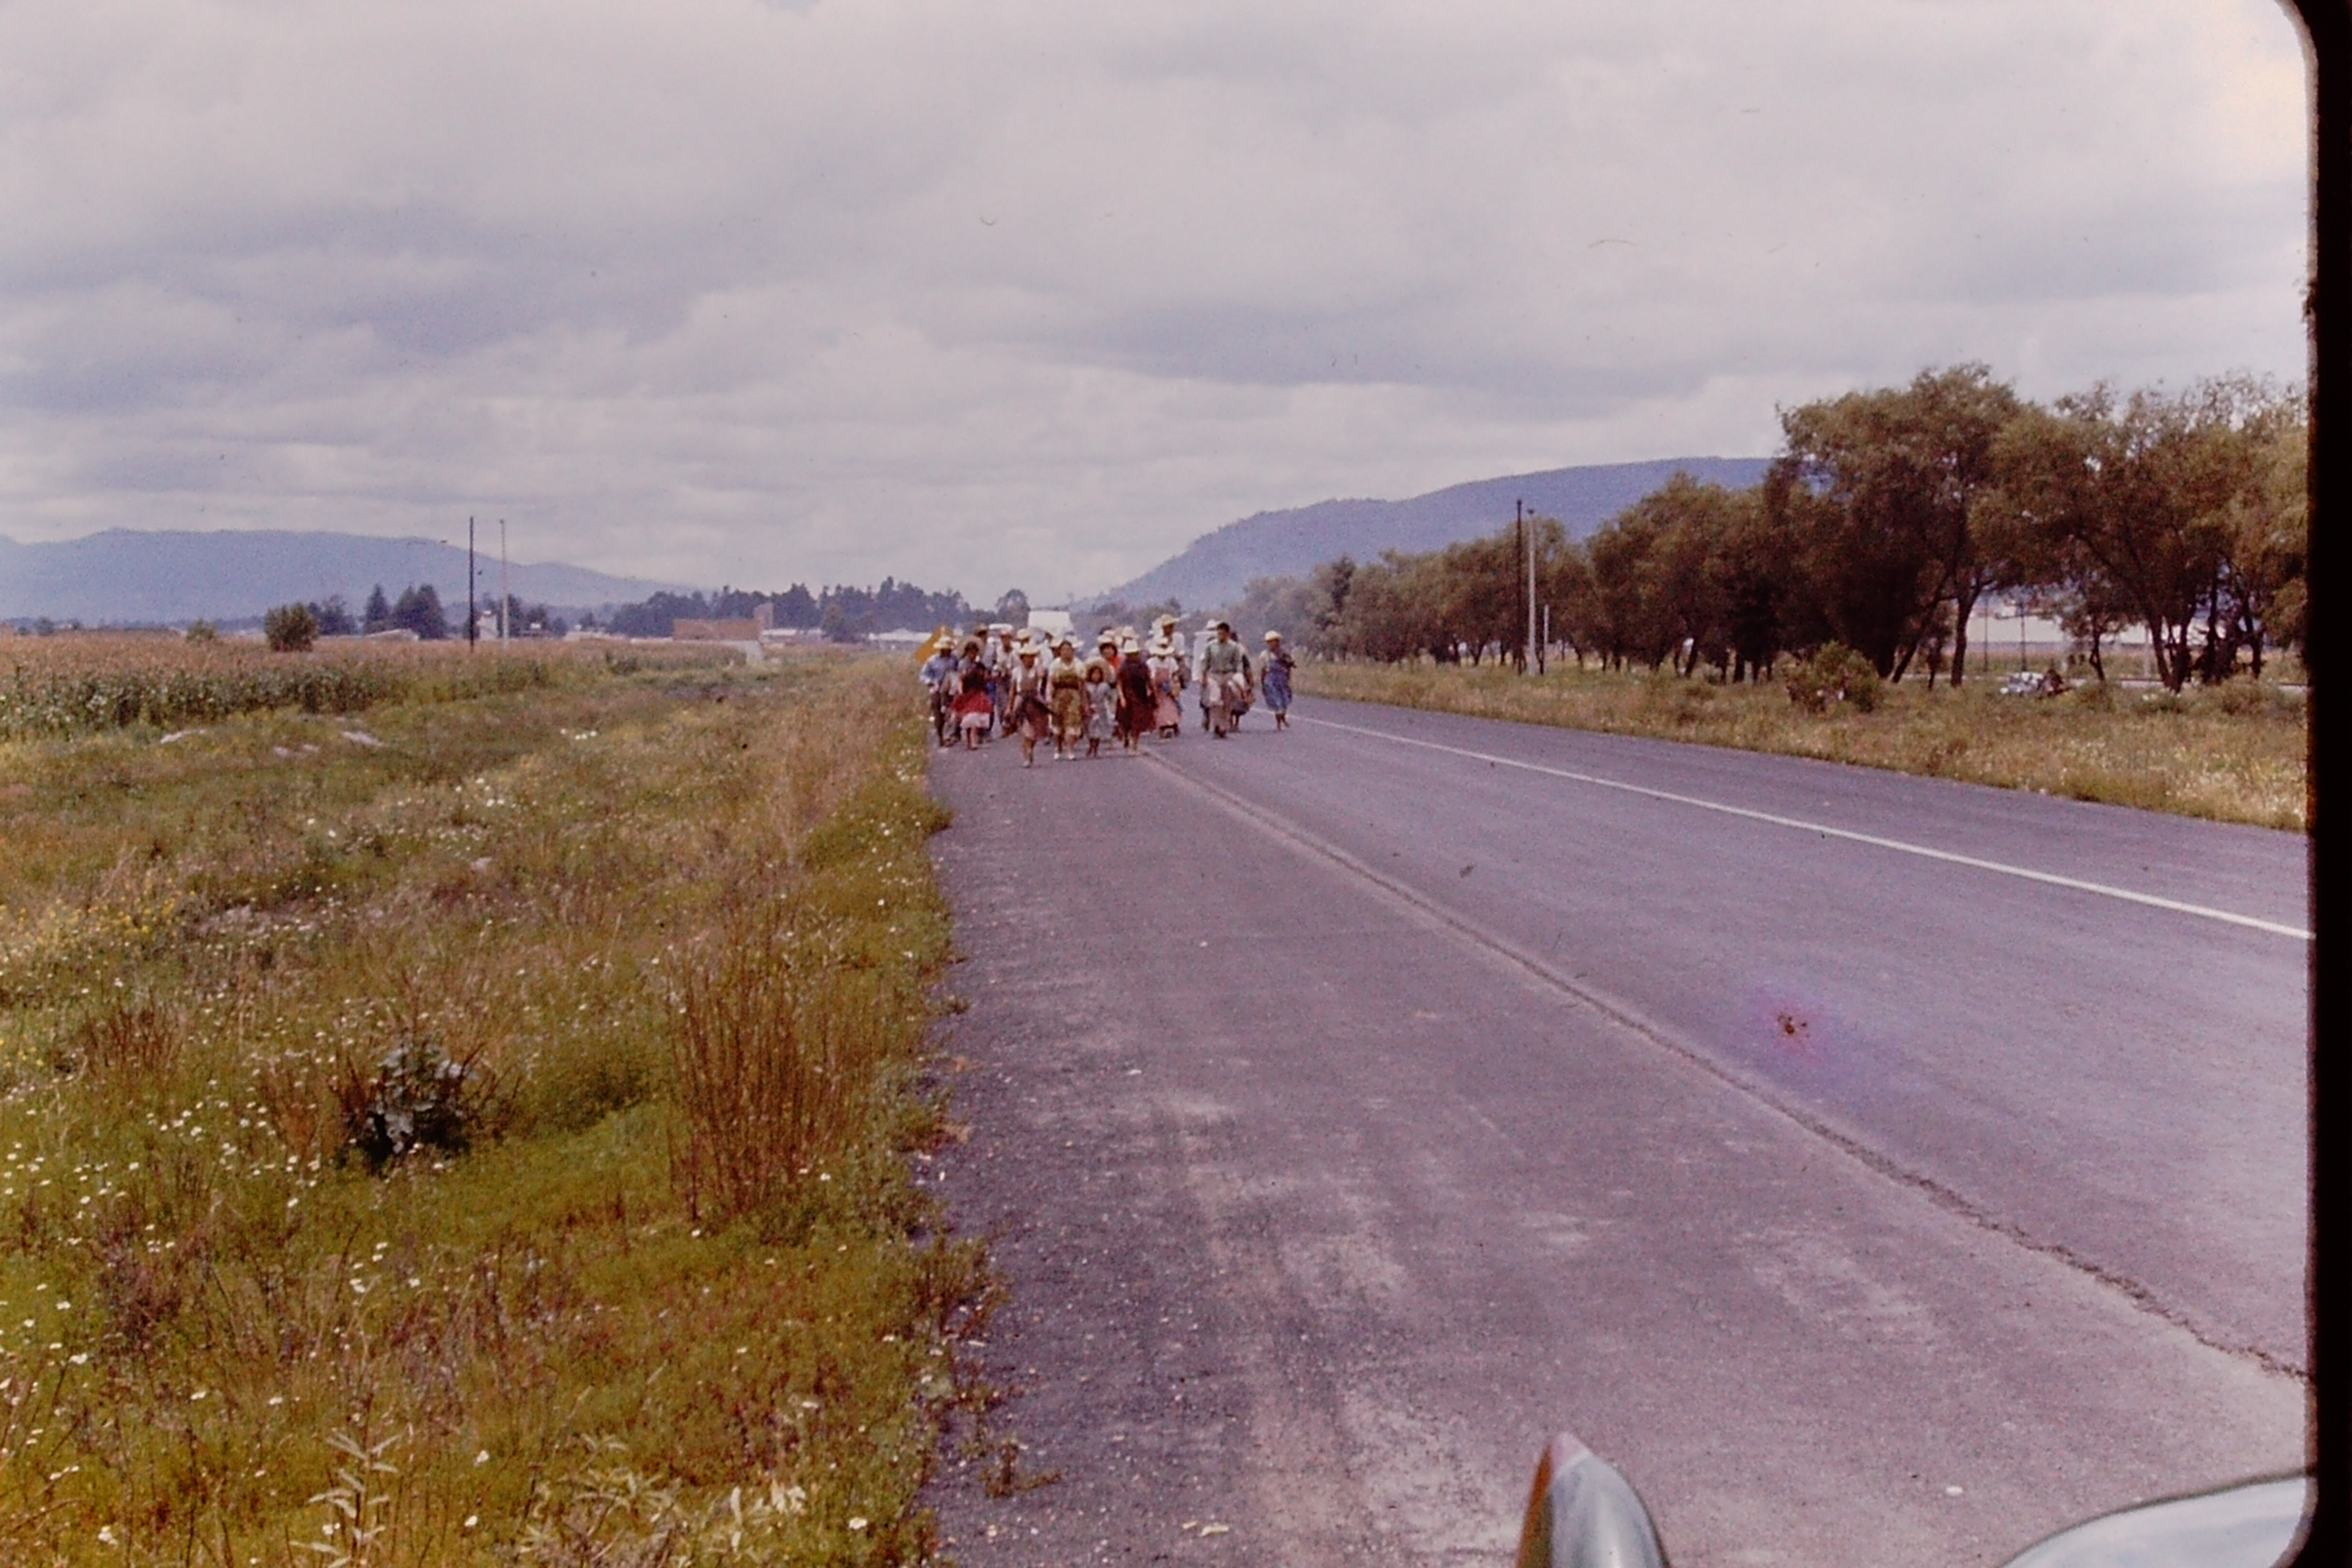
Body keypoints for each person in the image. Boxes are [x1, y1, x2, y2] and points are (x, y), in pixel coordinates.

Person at [1198, 619, 1252, 738]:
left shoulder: (1234, 647)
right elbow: (1205, 663)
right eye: (1219, 634)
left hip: (1228, 675)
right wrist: (1203, 676)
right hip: (1214, 675)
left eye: (1223, 634)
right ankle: (1216, 725)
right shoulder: (1211, 646)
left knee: (1227, 702)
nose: (1221, 636)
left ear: (1228, 634)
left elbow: (1237, 664)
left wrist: (1237, 679)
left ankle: (1223, 727)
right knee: (1215, 701)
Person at [1007, 642, 1050, 766]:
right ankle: (1026, 755)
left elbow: (1041, 675)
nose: (1030, 660)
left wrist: (1040, 661)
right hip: (1022, 700)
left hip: (1035, 700)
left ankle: (1031, 748)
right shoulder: (1017, 672)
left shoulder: (1037, 670)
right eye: (1027, 657)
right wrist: (1010, 707)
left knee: (1035, 729)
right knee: (1025, 730)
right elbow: (1013, 690)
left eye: (1032, 657)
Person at [1046, 635, 1090, 760]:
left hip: (1074, 696)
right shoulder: (1055, 665)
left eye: (1069, 650)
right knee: (1058, 724)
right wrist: (1049, 697)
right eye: (1064, 650)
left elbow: (1082, 686)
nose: (1066, 652)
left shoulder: (1079, 665)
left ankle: (1070, 750)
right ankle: (1058, 748)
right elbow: (1050, 683)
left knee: (1072, 724)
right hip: (1059, 696)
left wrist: (1085, 702)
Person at [952, 641, 995, 749]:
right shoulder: (963, 664)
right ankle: (968, 739)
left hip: (978, 692)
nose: (973, 655)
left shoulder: (980, 664)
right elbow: (961, 679)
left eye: (974, 652)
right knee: (968, 717)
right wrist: (961, 692)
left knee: (975, 716)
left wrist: (989, 678)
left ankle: (973, 739)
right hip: (967, 692)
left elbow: (985, 677)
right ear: (967, 653)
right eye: (970, 653)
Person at [1115, 635, 1155, 751]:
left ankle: (1134, 742)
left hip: (1140, 695)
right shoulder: (1123, 667)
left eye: (1134, 654)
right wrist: (1122, 697)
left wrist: (1152, 691)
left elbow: (1149, 680)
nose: (1132, 656)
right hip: (1128, 695)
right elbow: (1119, 683)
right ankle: (1126, 736)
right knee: (1125, 720)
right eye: (1130, 654)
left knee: (1138, 720)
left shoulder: (1143, 666)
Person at [919, 635, 959, 747]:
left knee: (950, 714)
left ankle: (948, 736)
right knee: (938, 715)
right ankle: (940, 735)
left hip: (950, 691)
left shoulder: (954, 659)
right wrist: (930, 682)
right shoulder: (932, 661)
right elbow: (923, 675)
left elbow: (958, 671)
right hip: (937, 690)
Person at [1147, 637, 1185, 737]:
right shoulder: (1152, 662)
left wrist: (1175, 682)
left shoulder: (1171, 661)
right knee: (1158, 708)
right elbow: (1151, 676)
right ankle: (1162, 727)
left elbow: (1175, 673)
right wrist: (1153, 687)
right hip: (1157, 689)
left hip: (1168, 688)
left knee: (1171, 706)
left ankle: (1173, 725)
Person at [1259, 629, 1295, 731]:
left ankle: (1283, 717)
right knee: (1276, 700)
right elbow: (1264, 670)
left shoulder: (1284, 654)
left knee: (1285, 700)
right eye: (1269, 642)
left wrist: (1289, 679)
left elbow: (1289, 668)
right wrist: (1263, 683)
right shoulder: (1265, 655)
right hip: (1271, 680)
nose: (1271, 644)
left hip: (1282, 679)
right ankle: (1278, 723)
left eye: (1273, 641)